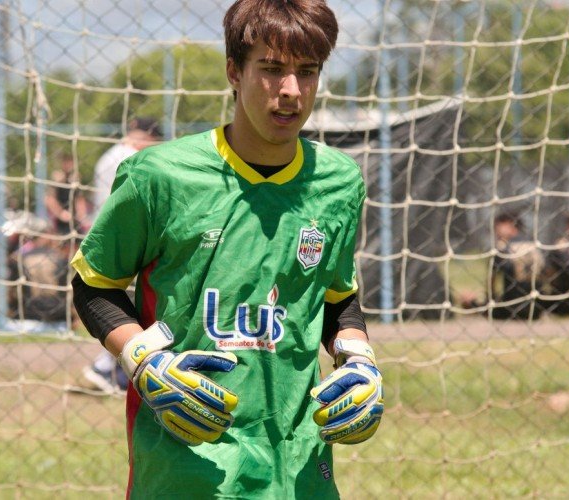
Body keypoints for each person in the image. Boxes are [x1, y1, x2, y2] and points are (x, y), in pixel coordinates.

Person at [71, 1, 382, 497]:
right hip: (187, 464)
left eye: (307, 72)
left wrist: (359, 359)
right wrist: (141, 359)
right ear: (234, 71)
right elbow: (92, 286)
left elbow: (335, 297)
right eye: (272, 69)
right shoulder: (160, 176)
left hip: (298, 466)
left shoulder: (340, 182)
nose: (290, 92)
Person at [80, 117, 162, 394]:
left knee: (120, 305)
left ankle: (107, 367)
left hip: (107, 231)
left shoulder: (109, 154)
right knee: (129, 305)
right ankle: (106, 367)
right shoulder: (131, 157)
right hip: (125, 234)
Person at [461, 212, 545, 320]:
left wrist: (485, 302)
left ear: (510, 225)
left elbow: (491, 285)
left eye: (498, 226)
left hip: (511, 308)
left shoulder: (501, 249)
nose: (496, 232)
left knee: (471, 302)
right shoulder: (534, 245)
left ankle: (471, 304)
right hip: (537, 307)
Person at [44, 153, 91, 247]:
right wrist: (61, 213)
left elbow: (79, 198)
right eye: (67, 161)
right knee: (61, 244)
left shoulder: (75, 178)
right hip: (60, 220)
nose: (69, 164)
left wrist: (82, 214)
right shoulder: (57, 178)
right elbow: (49, 199)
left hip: (74, 220)